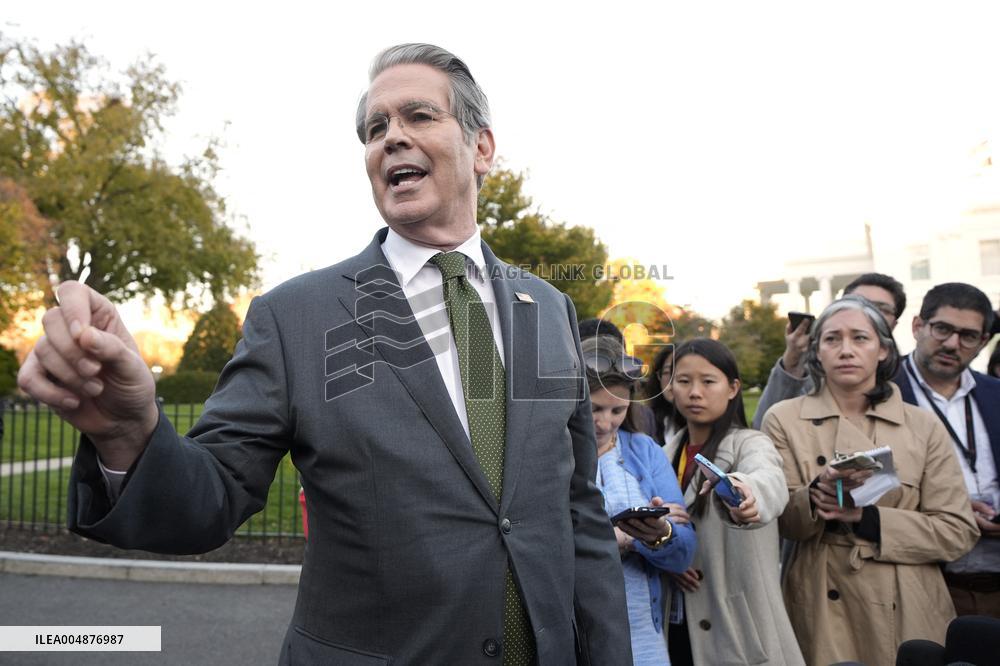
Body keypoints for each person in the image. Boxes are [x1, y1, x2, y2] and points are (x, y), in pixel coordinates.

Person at [16, 43, 632, 664]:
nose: (391, 138)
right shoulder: (294, 317)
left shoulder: (548, 309)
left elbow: (578, 506)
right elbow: (212, 497)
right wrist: (131, 433)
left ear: (481, 148)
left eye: (418, 116)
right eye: (374, 128)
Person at [762, 295, 979, 666]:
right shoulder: (783, 419)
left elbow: (958, 530)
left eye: (860, 338)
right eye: (832, 339)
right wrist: (817, 495)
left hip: (909, 604)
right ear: (816, 351)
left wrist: (867, 520)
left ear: (883, 349)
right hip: (820, 602)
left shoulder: (923, 425)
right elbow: (782, 525)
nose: (845, 350)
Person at [662, 339, 803, 666]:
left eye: (708, 381)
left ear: (733, 388)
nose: (694, 392)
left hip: (739, 629)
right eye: (683, 381)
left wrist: (747, 493)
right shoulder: (665, 452)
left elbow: (767, 478)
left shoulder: (750, 443)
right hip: (677, 621)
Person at [582, 335, 695, 665]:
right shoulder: (551, 455)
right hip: (578, 629)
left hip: (644, 633)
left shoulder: (644, 450)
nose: (606, 423)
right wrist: (626, 537)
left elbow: (683, 552)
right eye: (594, 409)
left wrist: (659, 534)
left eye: (618, 409)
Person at [892, 282, 1000, 618]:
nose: (953, 343)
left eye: (968, 336)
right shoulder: (879, 393)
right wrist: (950, 507)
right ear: (917, 326)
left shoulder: (996, 394)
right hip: (925, 584)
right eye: (942, 329)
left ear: (983, 342)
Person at [752, 272, 906, 429]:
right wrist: (793, 359)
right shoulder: (813, 380)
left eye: (881, 309)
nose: (862, 312)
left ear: (893, 324)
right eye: (854, 303)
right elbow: (763, 430)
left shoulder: (912, 386)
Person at [642, 345, 684, 446]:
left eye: (684, 374)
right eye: (668, 372)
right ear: (658, 377)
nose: (674, 380)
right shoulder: (643, 423)